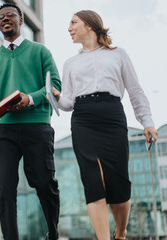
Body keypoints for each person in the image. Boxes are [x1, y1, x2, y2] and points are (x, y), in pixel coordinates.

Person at [53, 10, 158, 240]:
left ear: (90, 25)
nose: (69, 28)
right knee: (93, 180)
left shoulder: (118, 54)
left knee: (118, 183)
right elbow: (68, 102)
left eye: (73, 23)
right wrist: (56, 96)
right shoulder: (70, 63)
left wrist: (147, 121)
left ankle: (120, 232)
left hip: (112, 116)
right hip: (83, 120)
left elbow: (135, 90)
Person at [0, 3, 61, 240]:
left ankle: (53, 233)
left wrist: (31, 99)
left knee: (44, 183)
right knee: (4, 189)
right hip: (4, 130)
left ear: (21, 20)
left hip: (38, 127)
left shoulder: (40, 51)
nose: (5, 19)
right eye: (0, 17)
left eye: (10, 15)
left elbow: (55, 85)